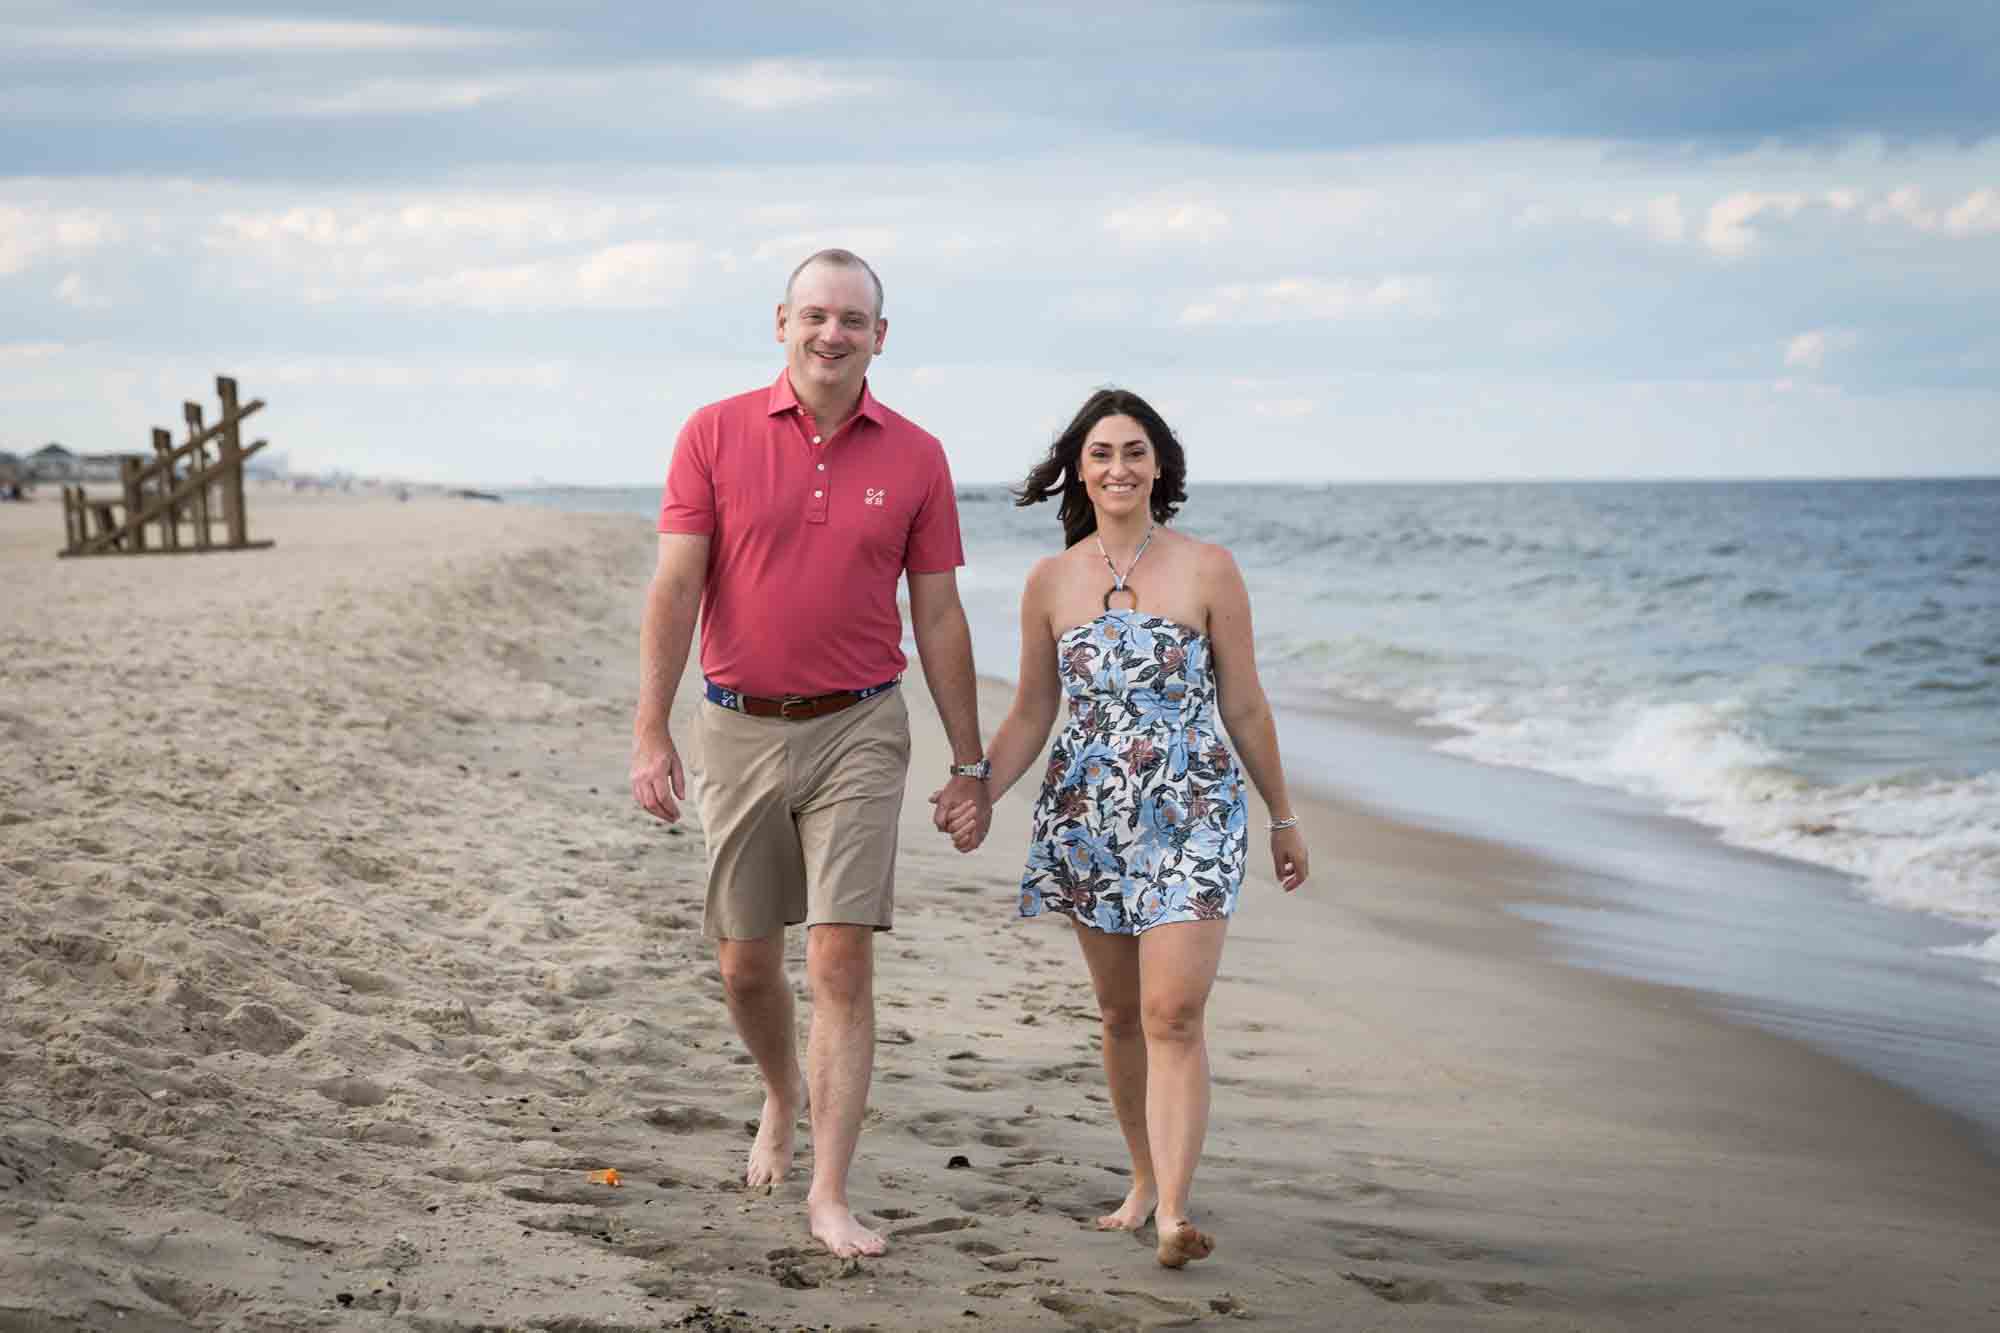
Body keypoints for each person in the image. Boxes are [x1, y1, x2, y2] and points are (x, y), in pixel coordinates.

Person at [630, 249, 992, 1259]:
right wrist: (650, 728)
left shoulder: (916, 455)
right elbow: (674, 588)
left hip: (861, 725)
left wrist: (969, 764)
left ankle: (829, 1192)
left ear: (881, 335)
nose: (832, 334)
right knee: (746, 965)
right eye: (816, 315)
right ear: (781, 321)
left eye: (854, 320)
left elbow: (940, 613)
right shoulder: (711, 432)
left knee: (838, 955)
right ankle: (781, 1091)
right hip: (736, 723)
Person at [936, 387, 1308, 1269]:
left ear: (1161, 465)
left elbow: (1246, 704)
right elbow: (1033, 711)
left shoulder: (1208, 568)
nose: (1118, 467)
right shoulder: (1051, 580)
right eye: (1101, 452)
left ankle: (1175, 1212)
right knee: (1118, 1013)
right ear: (1078, 467)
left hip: (1193, 808)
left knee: (1173, 1009)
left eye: (1135, 451)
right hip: (1088, 815)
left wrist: (1283, 814)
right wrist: (980, 783)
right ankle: (1143, 1179)